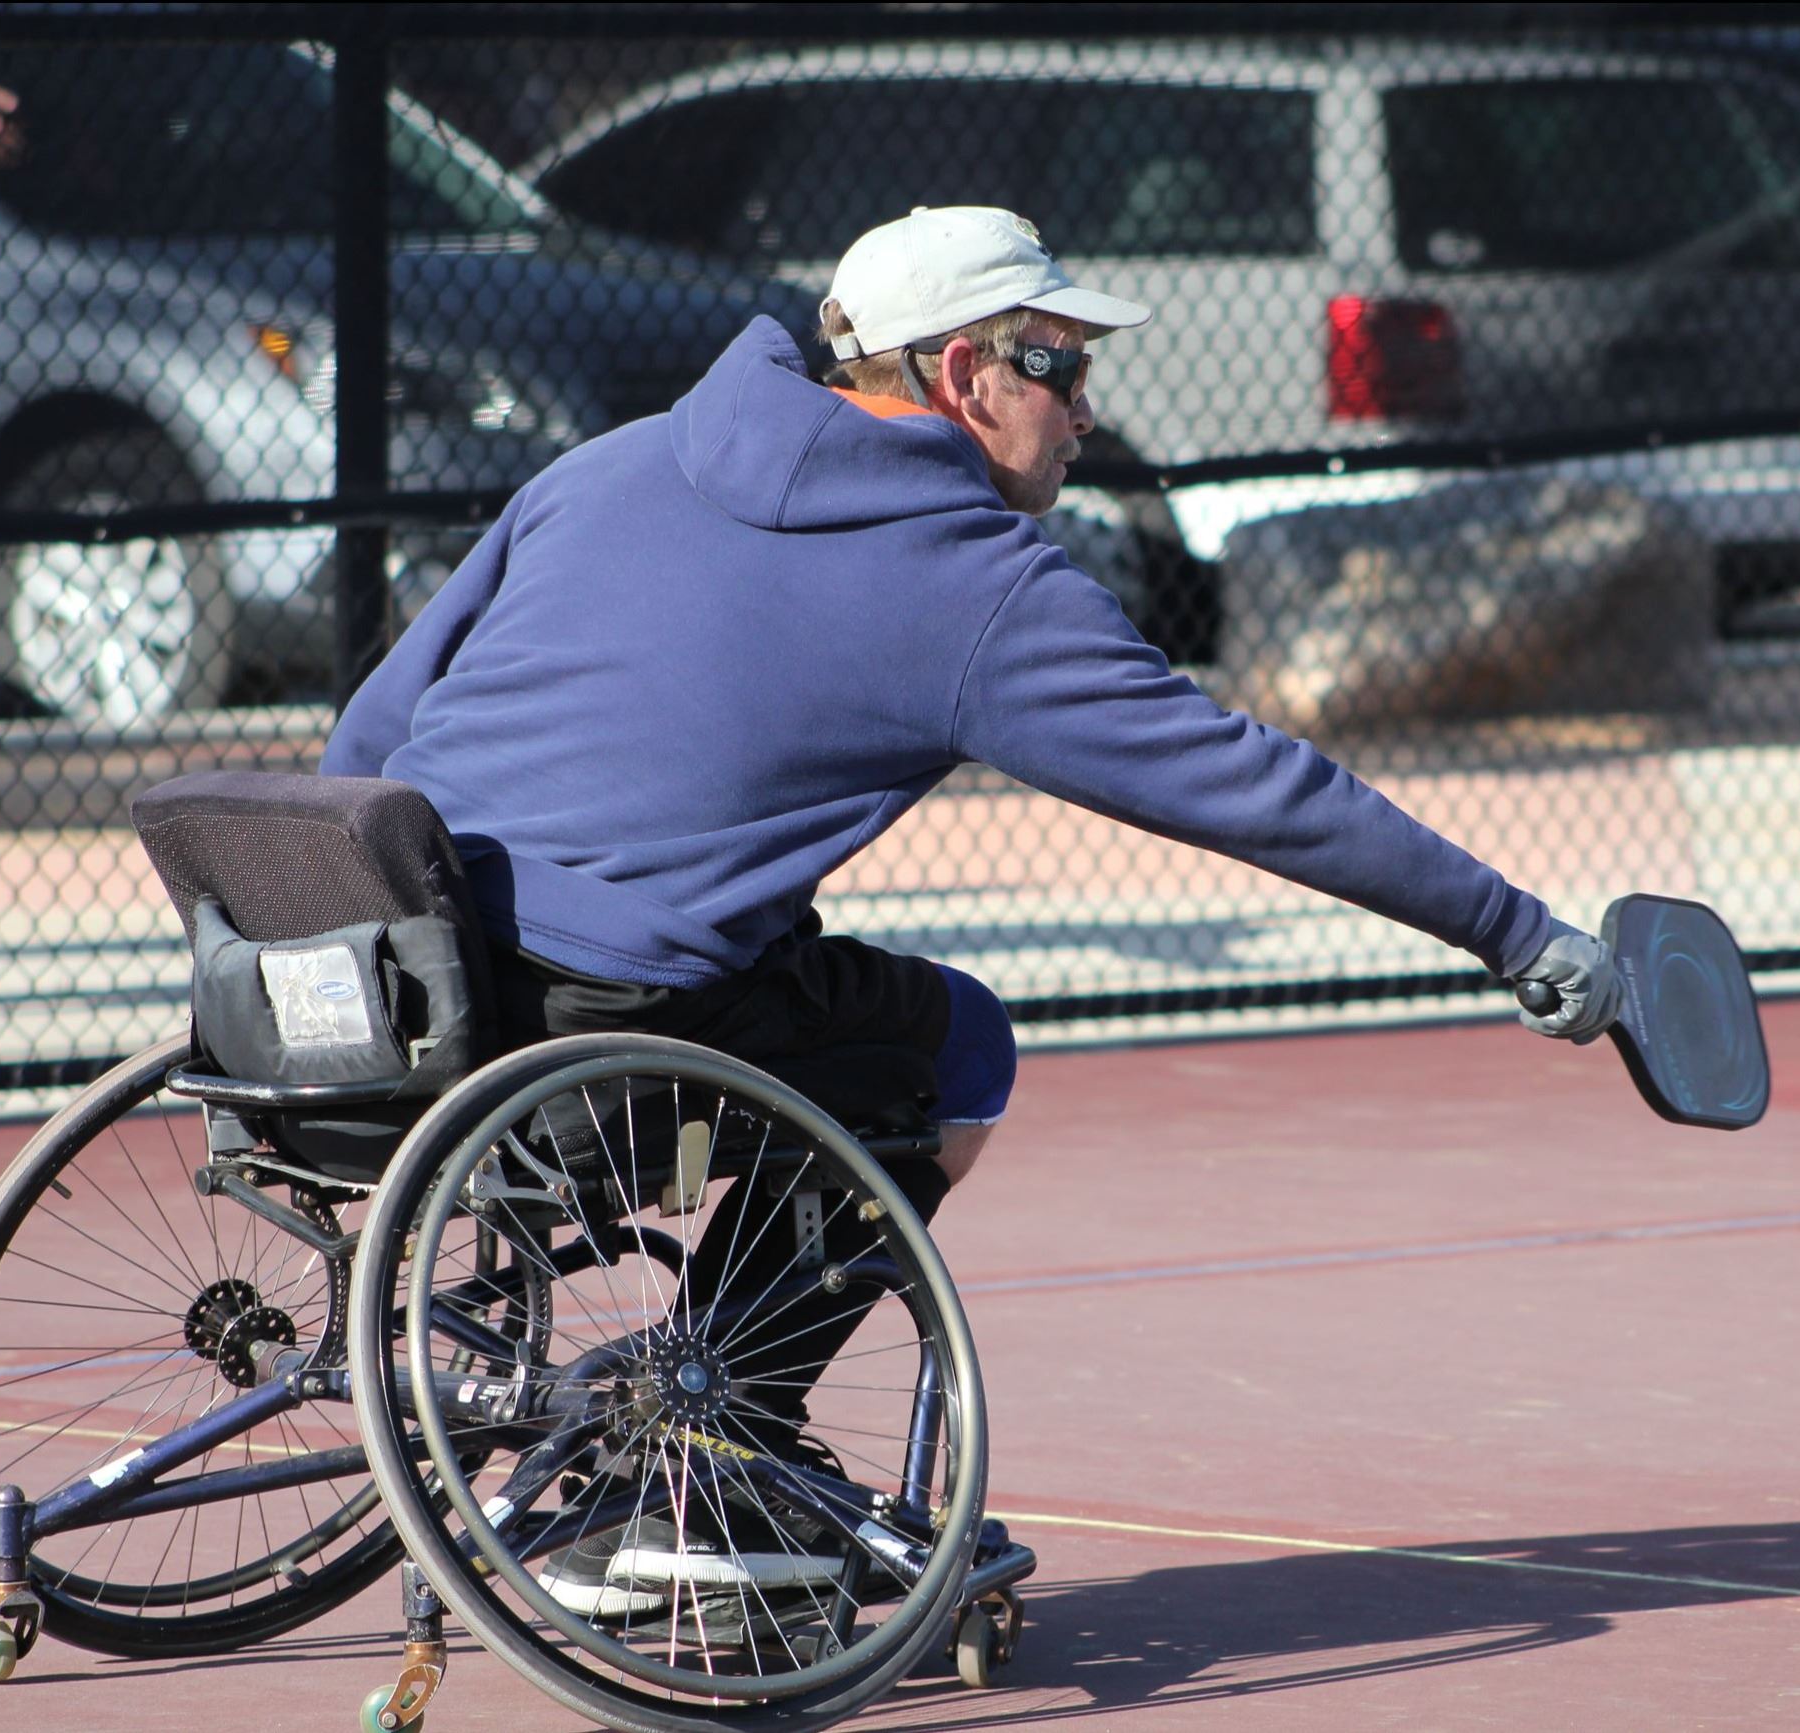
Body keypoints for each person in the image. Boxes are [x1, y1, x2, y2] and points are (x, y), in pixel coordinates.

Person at [320, 204, 1621, 1615]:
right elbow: (1250, 787)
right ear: (959, 375)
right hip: (597, 1046)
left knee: (801, 986)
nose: (1084, 406)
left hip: (381, 993)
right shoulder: (972, 584)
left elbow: (369, 741)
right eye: (1056, 364)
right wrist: (1510, 927)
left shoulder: (610, 464)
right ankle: (714, 1451)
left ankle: (694, 1448)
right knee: (946, 1046)